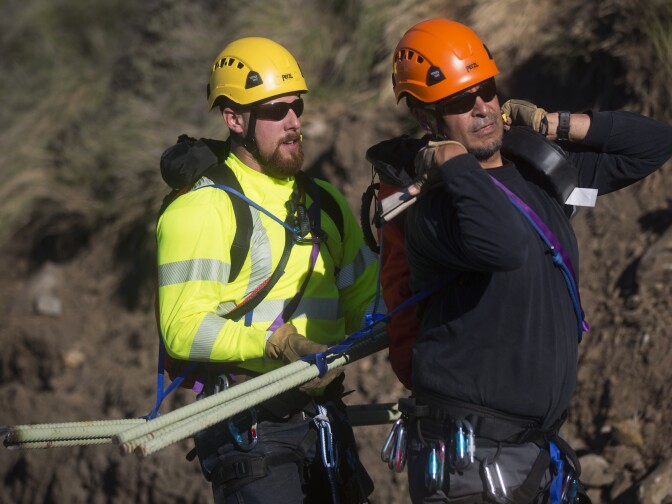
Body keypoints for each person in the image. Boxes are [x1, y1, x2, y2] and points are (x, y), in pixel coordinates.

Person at [367, 18, 672, 503]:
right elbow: (503, 243)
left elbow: (653, 143)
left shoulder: (536, 177)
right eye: (458, 103)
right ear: (428, 122)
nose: (482, 108)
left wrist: (553, 124)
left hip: (531, 454)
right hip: (470, 463)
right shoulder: (433, 212)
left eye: (485, 90)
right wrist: (451, 163)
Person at [155, 37, 380, 504]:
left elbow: (367, 301)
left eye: (296, 107)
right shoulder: (200, 210)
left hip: (324, 420)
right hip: (249, 430)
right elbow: (183, 328)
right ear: (234, 119)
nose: (294, 122)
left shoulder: (326, 203)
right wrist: (276, 344)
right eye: (276, 111)